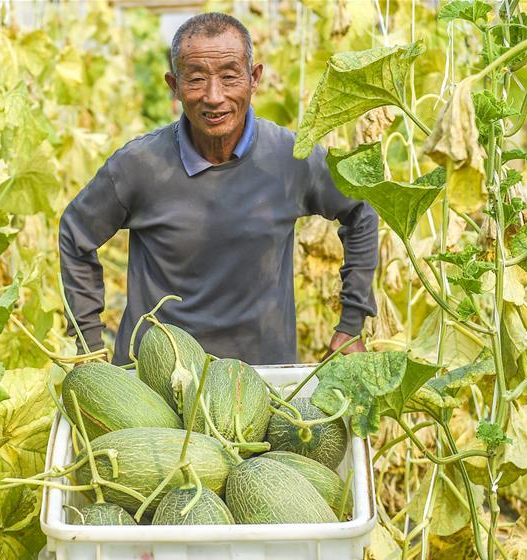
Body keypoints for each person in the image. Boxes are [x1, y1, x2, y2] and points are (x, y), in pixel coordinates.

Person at [59, 12, 378, 366]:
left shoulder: (291, 158)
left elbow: (362, 208)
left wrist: (351, 324)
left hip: (261, 380)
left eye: (229, 76)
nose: (214, 96)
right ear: (174, 85)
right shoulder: (139, 165)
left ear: (254, 79)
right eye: (195, 79)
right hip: (153, 384)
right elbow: (76, 233)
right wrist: (88, 345)